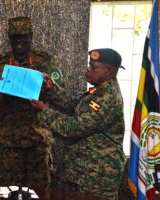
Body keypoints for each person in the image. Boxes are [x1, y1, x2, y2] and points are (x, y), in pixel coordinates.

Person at [30, 48, 126, 199]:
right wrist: (52, 89)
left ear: (108, 71)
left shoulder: (107, 97)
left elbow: (73, 128)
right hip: (85, 173)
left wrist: (44, 110)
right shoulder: (100, 91)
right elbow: (76, 105)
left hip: (97, 178)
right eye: (89, 64)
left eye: (93, 67)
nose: (88, 69)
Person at [0, 16, 64, 188]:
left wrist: (48, 87)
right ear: (9, 38)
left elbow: (60, 97)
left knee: (40, 192)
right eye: (15, 38)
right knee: (9, 191)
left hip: (38, 141)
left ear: (31, 36)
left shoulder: (45, 62)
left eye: (23, 37)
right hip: (9, 142)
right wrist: (1, 90)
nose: (19, 42)